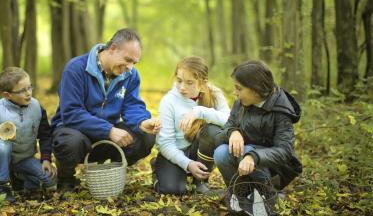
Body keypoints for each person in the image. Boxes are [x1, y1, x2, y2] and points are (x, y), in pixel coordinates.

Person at [51, 28, 161, 191]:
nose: (130, 67)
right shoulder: (75, 69)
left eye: (134, 63)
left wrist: (142, 121)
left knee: (145, 137)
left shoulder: (131, 75)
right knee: (70, 141)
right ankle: (66, 177)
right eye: (127, 60)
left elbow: (132, 105)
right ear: (112, 49)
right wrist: (108, 130)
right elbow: (71, 113)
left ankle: (110, 173)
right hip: (76, 133)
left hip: (109, 136)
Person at [213, 60, 302, 193]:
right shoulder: (240, 104)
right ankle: (241, 193)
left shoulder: (281, 111)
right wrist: (232, 132)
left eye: (239, 88)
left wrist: (254, 156)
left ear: (255, 90)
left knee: (248, 150)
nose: (235, 93)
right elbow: (220, 135)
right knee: (221, 152)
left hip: (274, 169)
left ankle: (269, 193)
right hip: (245, 157)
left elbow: (284, 151)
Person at [0, 67, 56, 203]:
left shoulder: (36, 107)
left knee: (50, 178)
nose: (28, 93)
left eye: (29, 87)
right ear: (8, 95)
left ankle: (20, 178)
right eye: (22, 90)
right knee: (3, 145)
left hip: (23, 158)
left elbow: (45, 135)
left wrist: (46, 159)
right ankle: (3, 188)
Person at [153, 56, 231, 195]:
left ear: (203, 82)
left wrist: (200, 112)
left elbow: (230, 121)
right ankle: (158, 168)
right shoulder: (169, 101)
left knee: (213, 130)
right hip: (176, 150)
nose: (182, 87)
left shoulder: (215, 94)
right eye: (179, 80)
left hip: (199, 149)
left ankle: (200, 182)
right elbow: (165, 143)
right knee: (173, 190)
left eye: (189, 82)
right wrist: (187, 164)